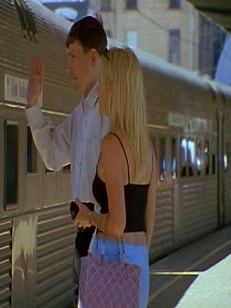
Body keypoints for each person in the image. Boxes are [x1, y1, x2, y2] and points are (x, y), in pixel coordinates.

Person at [25, 16, 110, 306]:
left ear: (93, 57)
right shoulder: (81, 113)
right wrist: (34, 106)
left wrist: (96, 216)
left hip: (106, 238)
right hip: (85, 238)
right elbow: (52, 156)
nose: (68, 66)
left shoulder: (110, 112)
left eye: (72, 57)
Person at [74, 47, 157, 308]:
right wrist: (136, 257)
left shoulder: (112, 145)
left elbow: (117, 223)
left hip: (109, 258)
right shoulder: (147, 147)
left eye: (105, 84)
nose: (99, 91)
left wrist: (89, 218)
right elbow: (148, 222)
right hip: (139, 260)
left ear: (118, 90)